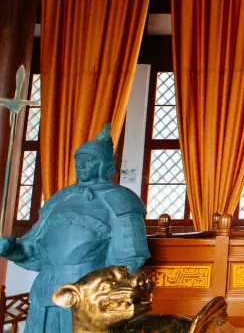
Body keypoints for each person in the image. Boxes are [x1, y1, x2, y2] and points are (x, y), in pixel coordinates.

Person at [0, 125, 149, 333]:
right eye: (79, 160)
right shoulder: (60, 198)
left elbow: (130, 258)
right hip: (45, 288)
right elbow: (33, 246)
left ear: (103, 164)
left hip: (87, 294)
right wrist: (12, 249)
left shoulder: (122, 199)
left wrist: (111, 296)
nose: (81, 164)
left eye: (88, 160)